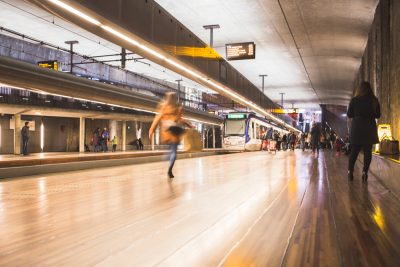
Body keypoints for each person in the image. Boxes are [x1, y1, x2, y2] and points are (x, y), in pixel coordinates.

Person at [149, 92, 189, 178]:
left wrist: (152, 129)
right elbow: (181, 119)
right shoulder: (178, 107)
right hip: (175, 131)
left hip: (166, 131)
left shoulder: (163, 107)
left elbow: (157, 118)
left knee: (171, 149)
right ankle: (170, 169)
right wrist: (188, 124)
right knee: (174, 151)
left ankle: (167, 157)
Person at [347, 81, 381, 182]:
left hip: (357, 127)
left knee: (354, 151)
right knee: (367, 152)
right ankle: (365, 172)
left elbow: (349, 114)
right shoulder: (374, 100)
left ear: (360, 89)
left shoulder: (354, 100)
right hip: (369, 127)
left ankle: (350, 172)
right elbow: (378, 115)